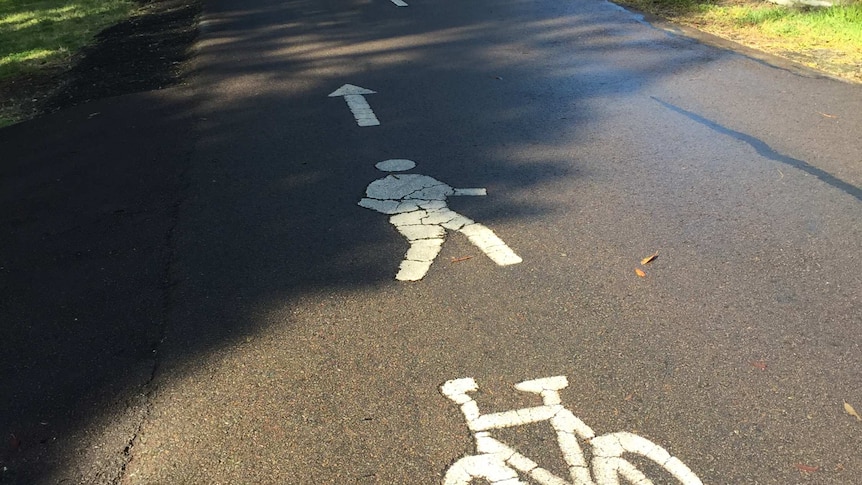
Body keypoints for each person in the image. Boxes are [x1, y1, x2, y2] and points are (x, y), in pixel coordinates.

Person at [359, 159, 522, 281]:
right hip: (425, 214)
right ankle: (503, 255)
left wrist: (476, 191)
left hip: (410, 217)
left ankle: (411, 273)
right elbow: (450, 191)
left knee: (425, 242)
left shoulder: (377, 185)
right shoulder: (420, 179)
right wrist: (475, 192)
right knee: (469, 230)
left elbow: (373, 203)